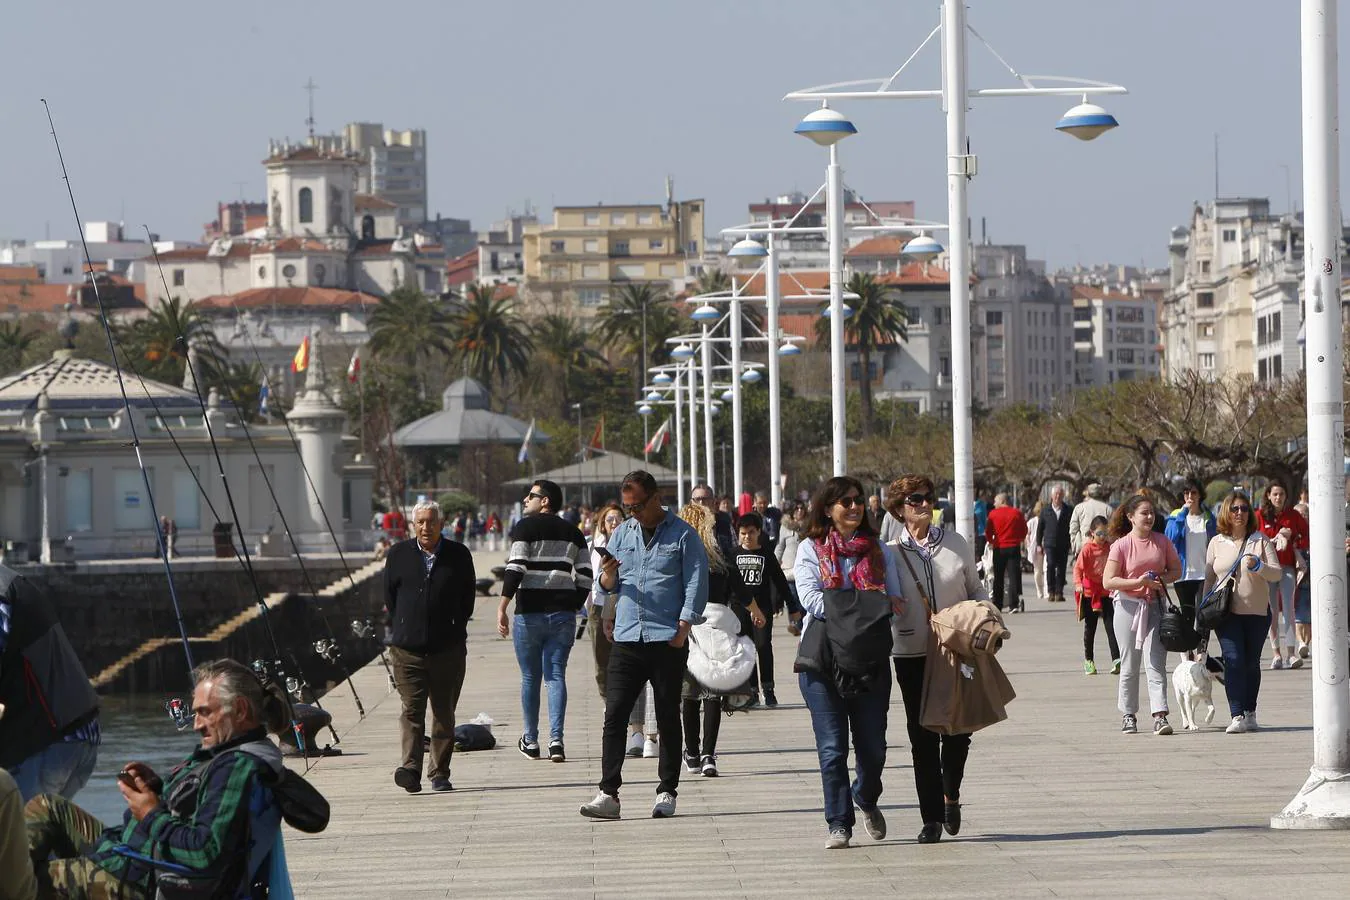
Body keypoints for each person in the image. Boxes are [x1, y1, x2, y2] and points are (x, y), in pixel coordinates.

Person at [13, 658, 300, 898]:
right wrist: (159, 790)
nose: (196, 724)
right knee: (46, 807)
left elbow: (205, 852)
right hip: (136, 853)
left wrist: (151, 813)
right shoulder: (231, 752)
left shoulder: (235, 768)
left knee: (23, 883)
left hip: (141, 879)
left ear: (240, 710)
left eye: (204, 713)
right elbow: (202, 810)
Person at [580, 471, 708, 821]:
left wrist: (683, 625)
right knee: (615, 714)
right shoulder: (622, 533)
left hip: (667, 638)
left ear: (655, 499)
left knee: (667, 715)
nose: (632, 512)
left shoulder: (683, 535)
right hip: (627, 637)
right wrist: (607, 576)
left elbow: (697, 581)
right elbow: (608, 585)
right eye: (627, 507)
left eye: (637, 506)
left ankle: (667, 790)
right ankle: (609, 793)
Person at [795, 475, 902, 850]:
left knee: (873, 747)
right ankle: (838, 822)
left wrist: (851, 606)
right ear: (828, 509)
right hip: (823, 658)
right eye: (845, 501)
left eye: (858, 500)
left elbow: (895, 599)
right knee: (832, 749)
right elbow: (810, 598)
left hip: (870, 657)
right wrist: (864, 608)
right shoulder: (810, 548)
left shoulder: (880, 550)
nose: (855, 506)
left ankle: (866, 796)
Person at [887, 474, 987, 844]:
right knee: (922, 734)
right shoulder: (890, 552)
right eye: (916, 499)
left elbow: (976, 589)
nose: (926, 503)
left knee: (959, 728)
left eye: (929, 497)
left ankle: (951, 794)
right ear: (900, 508)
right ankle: (930, 817)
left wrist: (985, 616)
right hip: (911, 651)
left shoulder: (956, 543)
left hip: (957, 648)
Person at [384, 499, 476, 793]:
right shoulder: (397, 554)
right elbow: (390, 598)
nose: (426, 527)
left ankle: (439, 771)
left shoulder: (459, 555)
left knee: (443, 711)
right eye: (421, 522)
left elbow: (467, 600)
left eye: (431, 521)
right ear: (414, 525)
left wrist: (451, 627)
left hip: (447, 649)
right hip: (406, 650)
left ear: (441, 524)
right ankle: (409, 769)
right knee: (411, 710)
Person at [498, 480, 592, 763]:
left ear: (546, 501)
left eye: (531, 495)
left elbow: (516, 568)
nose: (526, 499)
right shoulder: (574, 533)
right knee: (556, 676)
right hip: (562, 615)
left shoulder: (524, 528)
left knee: (530, 676)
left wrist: (502, 606)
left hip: (529, 613)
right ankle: (556, 741)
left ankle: (530, 739)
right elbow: (586, 577)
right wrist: (571, 605)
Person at [0, 565, 101, 803]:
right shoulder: (9, 583)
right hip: (73, 734)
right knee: (45, 836)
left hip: (43, 743)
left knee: (16, 837)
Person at [680, 502, 759, 778]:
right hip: (704, 629)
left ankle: (694, 753)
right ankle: (704, 753)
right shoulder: (716, 557)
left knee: (691, 694)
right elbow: (740, 589)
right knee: (706, 693)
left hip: (691, 629)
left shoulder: (685, 555)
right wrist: (757, 612)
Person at [1102, 494, 1182, 736]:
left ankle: (1160, 715)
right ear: (1130, 517)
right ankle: (1128, 714)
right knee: (1129, 664)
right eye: (1144, 513)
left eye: (1151, 513)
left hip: (1155, 606)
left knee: (1156, 662)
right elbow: (1108, 581)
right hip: (1127, 607)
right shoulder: (1121, 545)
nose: (1149, 517)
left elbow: (1176, 570)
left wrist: (1159, 580)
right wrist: (1138, 581)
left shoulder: (1162, 541)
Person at [1206, 491, 1283, 734]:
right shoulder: (1216, 542)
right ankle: (1236, 714)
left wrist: (1259, 566)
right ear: (1226, 512)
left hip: (1258, 613)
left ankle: (1250, 712)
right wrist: (1201, 608)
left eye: (1244, 509)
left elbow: (1277, 573)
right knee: (1234, 660)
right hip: (1226, 614)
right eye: (1235, 509)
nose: (1240, 513)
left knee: (1251, 664)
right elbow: (1209, 579)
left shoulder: (1260, 540)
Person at [734, 512, 803, 708]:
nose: (747, 537)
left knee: (763, 646)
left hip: (763, 608)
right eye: (743, 533)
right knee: (746, 650)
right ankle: (752, 691)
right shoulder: (733, 554)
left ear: (759, 532)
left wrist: (792, 606)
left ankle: (768, 689)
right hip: (740, 610)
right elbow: (728, 585)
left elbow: (781, 582)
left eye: (751, 533)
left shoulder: (766, 555)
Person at [1256, 480, 1309, 668]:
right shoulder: (1260, 516)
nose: (1278, 497)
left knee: (1289, 609)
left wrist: (1294, 542)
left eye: (1282, 494)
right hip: (1268, 569)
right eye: (1275, 494)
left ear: (1286, 497)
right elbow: (1253, 539)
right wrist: (1272, 539)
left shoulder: (1293, 515)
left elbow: (1306, 535)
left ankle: (1291, 654)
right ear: (1269, 496)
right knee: (1271, 612)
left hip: (1287, 568)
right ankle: (1276, 653)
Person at [1164, 480, 1217, 632]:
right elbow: (1170, 537)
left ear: (1200, 495)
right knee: (1187, 616)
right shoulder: (1176, 515)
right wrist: (1182, 514)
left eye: (1194, 492)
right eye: (1186, 493)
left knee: (1203, 615)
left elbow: (1214, 541)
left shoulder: (1208, 516)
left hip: (1204, 574)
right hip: (1183, 575)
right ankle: (1188, 652)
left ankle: (1202, 652)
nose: (1190, 496)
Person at [1072, 516, 1121, 675]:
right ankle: (1089, 661)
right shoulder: (1087, 549)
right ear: (1092, 533)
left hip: (1106, 590)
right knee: (1090, 628)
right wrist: (1078, 584)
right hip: (1089, 592)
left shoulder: (1110, 547)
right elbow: (1078, 569)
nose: (1102, 537)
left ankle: (1116, 659)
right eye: (1099, 533)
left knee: (1111, 626)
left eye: (1105, 534)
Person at [984, 492, 1027, 614]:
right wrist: (1018, 539)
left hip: (999, 548)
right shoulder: (1017, 513)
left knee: (998, 577)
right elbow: (1024, 530)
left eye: (995, 501)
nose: (994, 503)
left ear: (1002, 501)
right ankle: (1014, 604)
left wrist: (991, 541)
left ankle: (998, 603)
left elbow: (988, 531)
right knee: (1013, 576)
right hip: (1013, 547)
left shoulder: (993, 514)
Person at [1036, 485, 1074, 601]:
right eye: (1056, 494)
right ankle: (1051, 591)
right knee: (1051, 565)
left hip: (1063, 544)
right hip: (1049, 543)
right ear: (1052, 496)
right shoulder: (1045, 510)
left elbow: (1072, 527)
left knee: (1062, 568)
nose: (1057, 496)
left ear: (1062, 496)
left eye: (1060, 494)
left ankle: (1059, 592)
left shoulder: (1068, 510)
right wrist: (1038, 544)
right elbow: (1040, 528)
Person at [692, 483, 737, 559]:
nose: (701, 503)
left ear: (713, 501)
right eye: (697, 499)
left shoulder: (725, 525)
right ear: (691, 502)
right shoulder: (684, 526)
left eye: (705, 499)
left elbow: (735, 552)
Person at [1069, 483, 1113, 560]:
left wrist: (1075, 546)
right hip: (1103, 548)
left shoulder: (1079, 508)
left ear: (1088, 493)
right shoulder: (1108, 509)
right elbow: (1112, 531)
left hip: (1084, 547)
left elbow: (1073, 529)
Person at [775, 501, 805, 613]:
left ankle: (800, 626)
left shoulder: (810, 526)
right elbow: (780, 546)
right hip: (789, 569)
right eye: (797, 508)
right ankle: (796, 624)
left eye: (802, 508)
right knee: (793, 599)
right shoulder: (785, 526)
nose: (800, 511)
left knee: (804, 600)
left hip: (804, 569)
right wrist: (774, 562)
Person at [1026, 500, 1047, 602]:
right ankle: (1040, 590)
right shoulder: (1032, 522)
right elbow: (1028, 535)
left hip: (1043, 547)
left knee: (1044, 569)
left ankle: (1044, 590)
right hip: (1036, 548)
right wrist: (1029, 546)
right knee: (1039, 570)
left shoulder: (1045, 520)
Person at [972, 491, 992, 559]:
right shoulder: (964, 503)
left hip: (980, 532)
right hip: (968, 530)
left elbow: (984, 518)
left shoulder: (981, 505)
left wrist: (985, 530)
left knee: (980, 551)